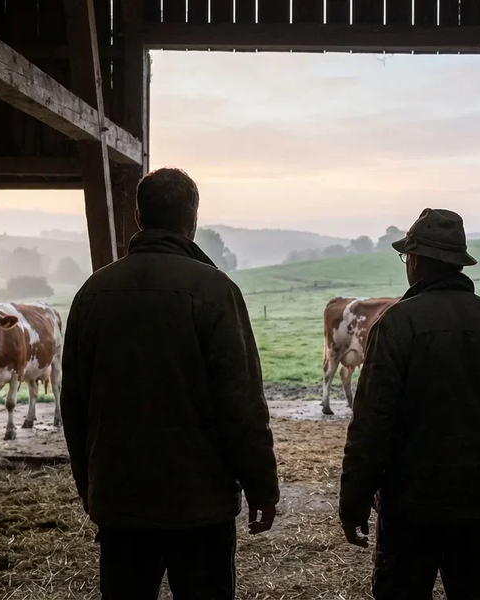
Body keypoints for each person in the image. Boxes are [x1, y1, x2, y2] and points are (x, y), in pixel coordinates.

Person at [61, 168, 279, 600]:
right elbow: (242, 404)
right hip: (200, 507)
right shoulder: (216, 291)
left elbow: (74, 404)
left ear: (139, 217)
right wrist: (261, 487)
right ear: (192, 219)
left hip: (122, 503)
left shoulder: (93, 293)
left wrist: (91, 487)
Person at [338, 208, 480, 600]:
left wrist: (354, 503)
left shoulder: (396, 325)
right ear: (457, 264)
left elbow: (370, 426)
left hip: (411, 508)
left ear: (415, 261)